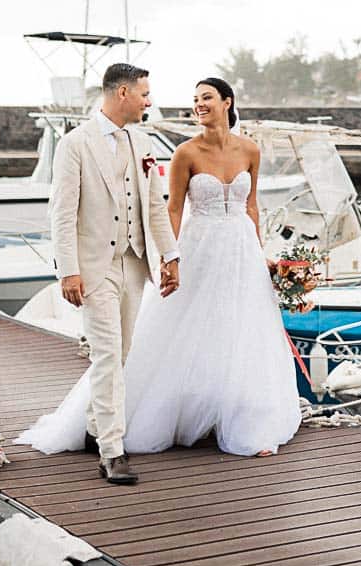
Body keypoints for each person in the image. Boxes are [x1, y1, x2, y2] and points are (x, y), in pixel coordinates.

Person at [18, 76, 302, 469]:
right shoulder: (185, 152)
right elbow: (168, 208)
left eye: (206, 98)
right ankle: (110, 435)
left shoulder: (249, 150)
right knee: (161, 336)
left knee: (242, 330)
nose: (198, 104)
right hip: (195, 246)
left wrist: (261, 253)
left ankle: (239, 418)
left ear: (227, 102)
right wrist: (169, 257)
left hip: (241, 251)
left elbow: (251, 206)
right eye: (195, 99)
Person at [17, 64, 180, 485]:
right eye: (145, 93)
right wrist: (68, 271)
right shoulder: (75, 144)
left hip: (134, 263)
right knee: (108, 355)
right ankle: (112, 449)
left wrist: (170, 256)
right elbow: (62, 213)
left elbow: (156, 207)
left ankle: (94, 426)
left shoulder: (142, 142)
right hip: (93, 268)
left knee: (121, 354)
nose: (149, 101)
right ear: (122, 92)